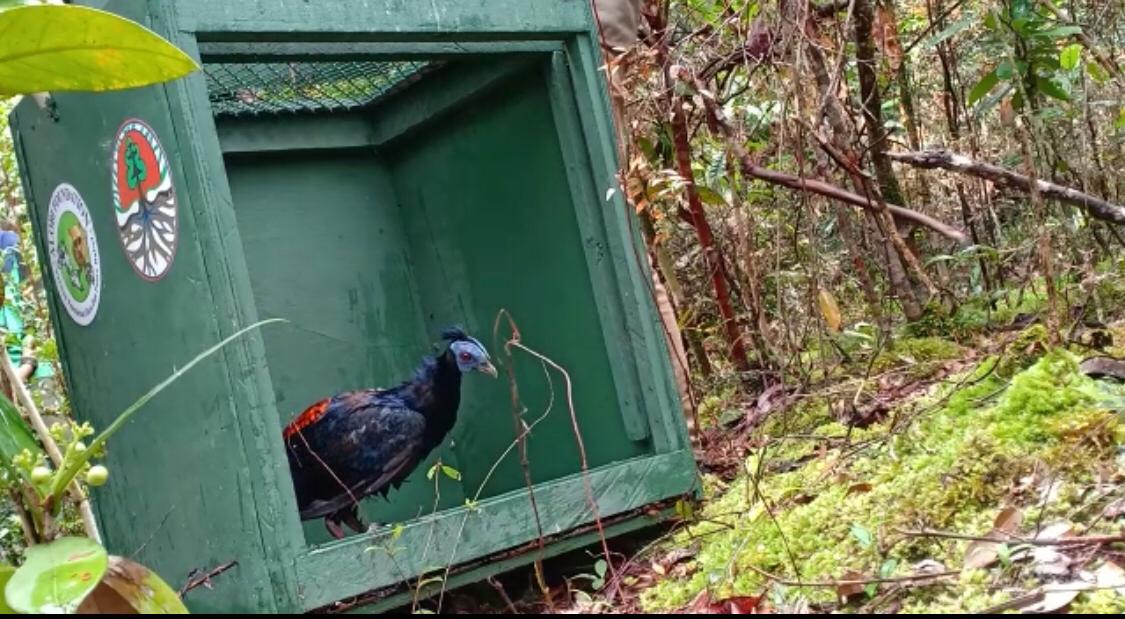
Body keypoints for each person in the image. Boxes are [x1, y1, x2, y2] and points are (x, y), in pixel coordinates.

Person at [593, 0, 696, 427]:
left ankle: (680, 426)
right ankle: (677, 424)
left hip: (591, 55)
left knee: (620, 243)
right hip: (581, 49)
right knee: (616, 244)